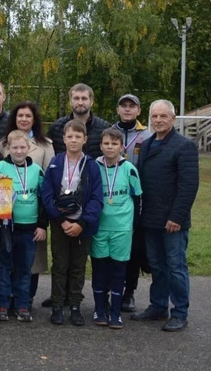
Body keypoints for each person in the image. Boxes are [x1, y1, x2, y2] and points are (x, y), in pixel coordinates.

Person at [131, 100, 199, 332]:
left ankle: (180, 312)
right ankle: (158, 306)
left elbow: (188, 186)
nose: (158, 120)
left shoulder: (184, 146)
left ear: (173, 118)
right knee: (157, 266)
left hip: (172, 222)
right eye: (155, 116)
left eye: (163, 116)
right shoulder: (147, 144)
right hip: (150, 219)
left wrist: (177, 217)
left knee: (175, 266)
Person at [41, 119, 103, 327]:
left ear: (85, 139)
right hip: (60, 223)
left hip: (82, 226)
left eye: (78, 136)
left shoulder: (92, 166)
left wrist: (83, 223)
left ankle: (75, 306)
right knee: (60, 265)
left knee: (78, 266)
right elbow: (47, 193)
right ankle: (58, 305)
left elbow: (96, 198)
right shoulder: (56, 162)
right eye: (70, 136)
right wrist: (59, 219)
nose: (74, 140)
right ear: (64, 139)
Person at [0, 101, 55, 304]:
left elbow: (49, 178)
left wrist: (43, 220)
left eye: (28, 116)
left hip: (33, 210)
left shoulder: (46, 144)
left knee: (31, 260)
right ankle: (8, 296)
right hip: (10, 214)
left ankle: (26, 298)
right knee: (8, 257)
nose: (23, 119)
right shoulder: (4, 143)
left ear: (34, 119)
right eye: (20, 115)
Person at [91, 128, 143, 329]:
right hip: (100, 227)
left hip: (122, 228)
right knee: (100, 268)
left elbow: (138, 197)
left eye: (114, 144)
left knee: (118, 269)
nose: (110, 147)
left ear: (122, 147)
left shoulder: (129, 168)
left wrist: (134, 225)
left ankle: (115, 312)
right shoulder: (94, 166)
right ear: (101, 145)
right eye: (106, 143)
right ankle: (99, 309)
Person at [0, 130, 47, 323]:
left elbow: (44, 200)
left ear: (29, 148)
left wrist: (42, 225)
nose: (18, 151)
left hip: (29, 228)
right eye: (14, 147)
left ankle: (22, 305)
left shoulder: (37, 171)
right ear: (8, 148)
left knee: (25, 268)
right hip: (5, 226)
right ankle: (1, 304)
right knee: (3, 266)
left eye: (22, 147)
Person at [111, 93, 152, 312]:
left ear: (138, 110)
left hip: (136, 197)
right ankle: (110, 289)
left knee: (133, 249)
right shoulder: (109, 132)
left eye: (131, 106)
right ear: (117, 109)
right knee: (110, 248)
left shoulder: (147, 134)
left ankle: (129, 292)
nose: (127, 109)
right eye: (123, 106)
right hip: (112, 198)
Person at [48, 83, 110, 158]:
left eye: (84, 98)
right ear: (70, 101)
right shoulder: (56, 128)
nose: (80, 103)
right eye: (76, 98)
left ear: (91, 102)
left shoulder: (104, 128)